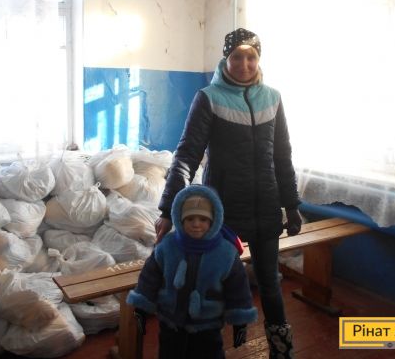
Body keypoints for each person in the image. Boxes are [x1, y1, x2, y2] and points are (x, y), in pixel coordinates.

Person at [155, 28, 302, 358]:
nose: (244, 64)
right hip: (223, 213)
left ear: (259, 59)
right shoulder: (209, 98)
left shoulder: (273, 98)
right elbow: (187, 155)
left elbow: (282, 156)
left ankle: (281, 351)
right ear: (226, 59)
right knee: (214, 286)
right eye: (237, 56)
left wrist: (291, 205)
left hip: (266, 210)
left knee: (270, 285)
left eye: (251, 57)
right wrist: (167, 210)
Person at [127, 184, 257, 359]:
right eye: (190, 219)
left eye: (203, 219)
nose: (196, 224)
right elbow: (149, 278)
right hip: (171, 323)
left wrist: (240, 322)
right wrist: (141, 308)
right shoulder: (167, 247)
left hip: (207, 326)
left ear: (213, 221)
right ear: (180, 220)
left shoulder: (225, 253)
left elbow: (238, 288)